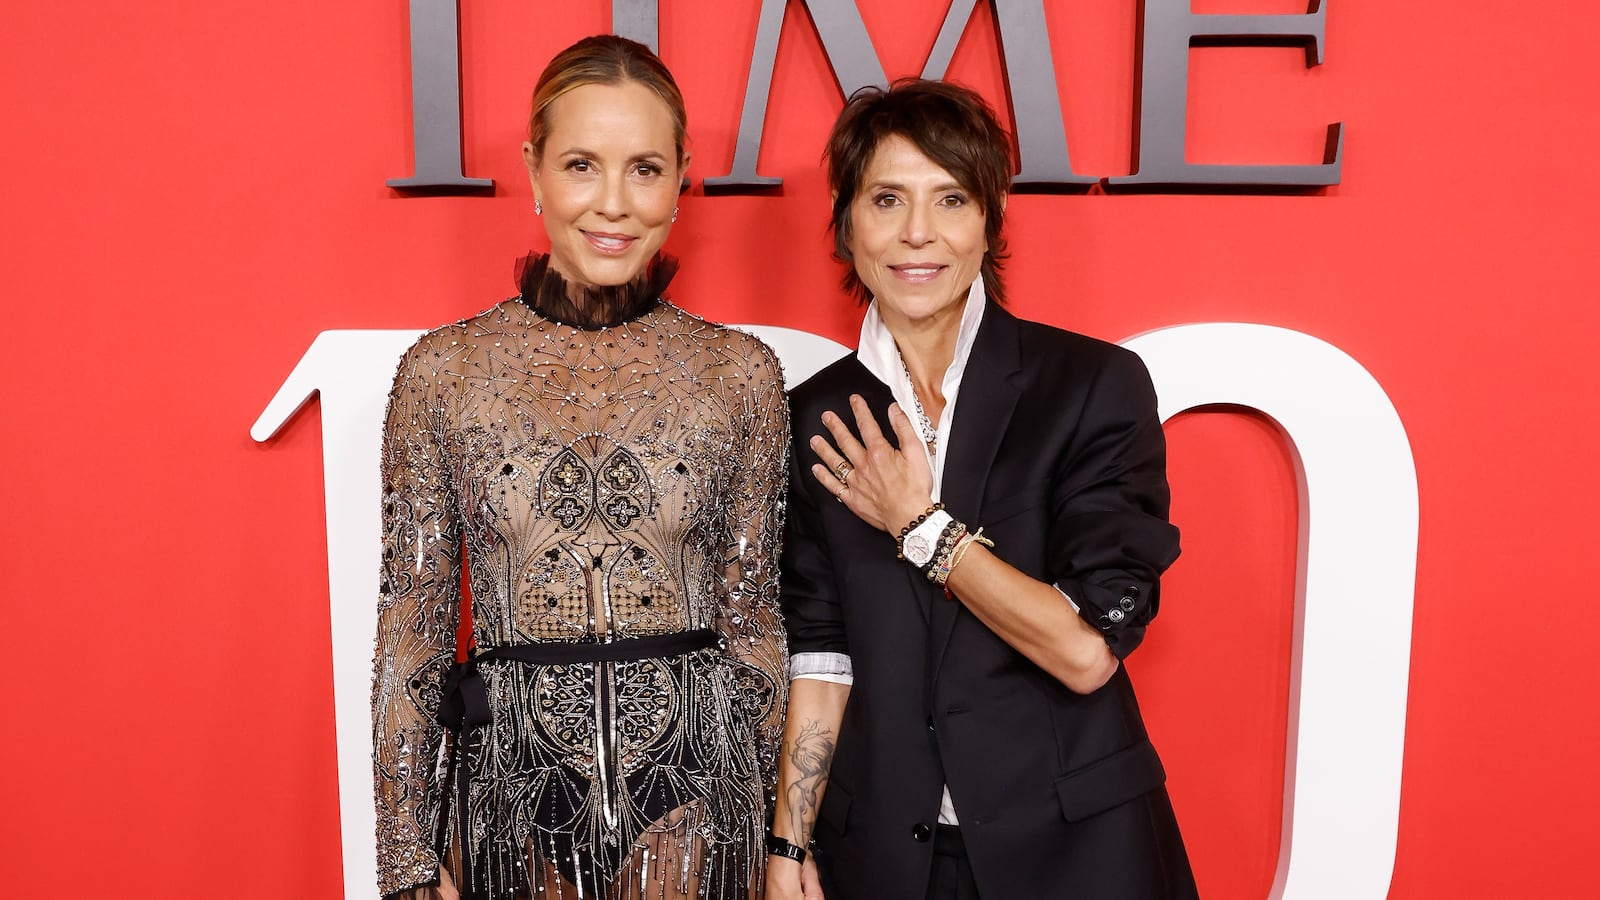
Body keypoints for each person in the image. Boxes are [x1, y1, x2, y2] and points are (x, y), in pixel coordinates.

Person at [372, 35, 791, 900]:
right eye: (580, 165)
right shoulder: (442, 375)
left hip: (699, 810)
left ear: (681, 177)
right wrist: (408, 867)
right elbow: (411, 626)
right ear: (533, 171)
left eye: (644, 169)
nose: (613, 203)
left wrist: (780, 843)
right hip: (512, 803)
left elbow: (754, 623)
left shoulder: (739, 375)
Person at [768, 79, 1198, 900]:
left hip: (1076, 851)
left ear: (990, 219)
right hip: (884, 860)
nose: (917, 234)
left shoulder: (1090, 386)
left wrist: (918, 525)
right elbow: (821, 654)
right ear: (846, 220)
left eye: (951, 199)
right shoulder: (810, 417)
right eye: (887, 198)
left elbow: (1082, 654)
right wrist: (788, 843)